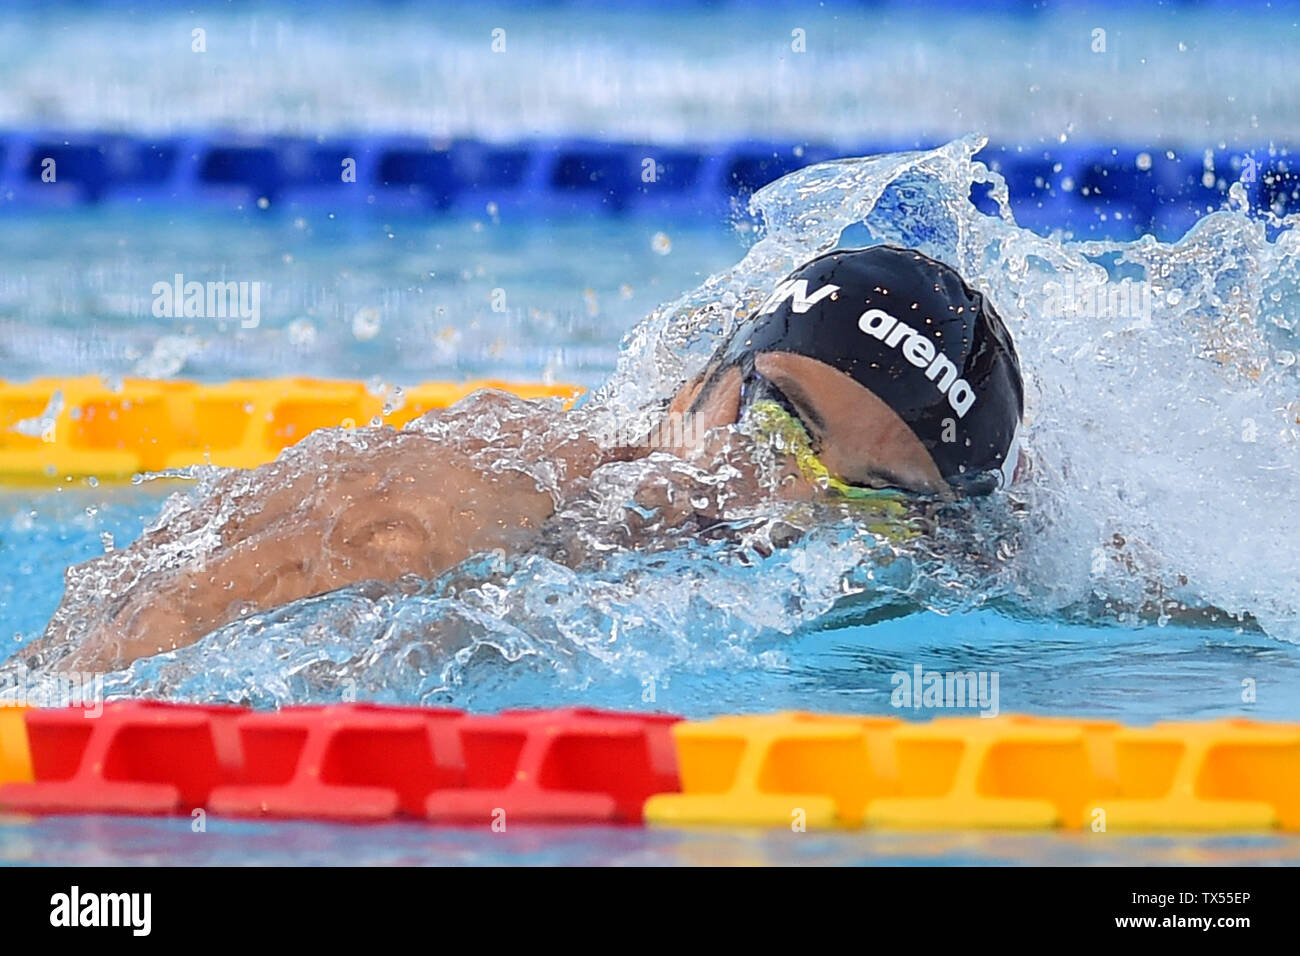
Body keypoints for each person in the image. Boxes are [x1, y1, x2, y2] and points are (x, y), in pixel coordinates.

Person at [32, 244, 1023, 671]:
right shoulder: (475, 499)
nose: (781, 500)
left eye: (870, 498)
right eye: (775, 423)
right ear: (701, 377)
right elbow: (85, 684)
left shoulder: (944, 572)